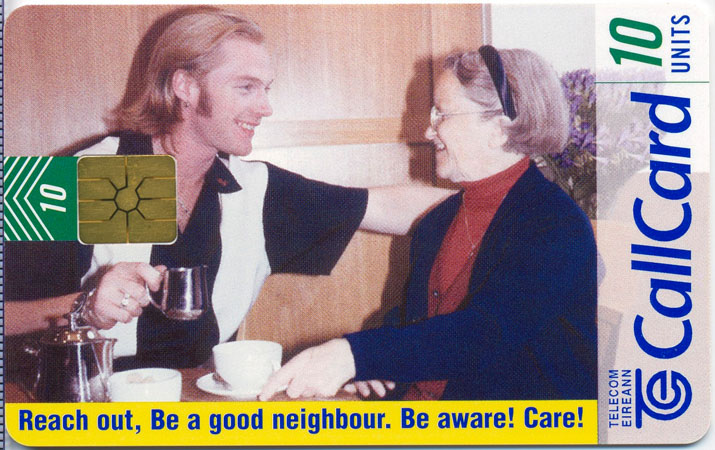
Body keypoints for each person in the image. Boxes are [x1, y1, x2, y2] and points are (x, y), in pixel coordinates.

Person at [4, 6, 450, 370]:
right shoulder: (91, 173)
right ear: (185, 87)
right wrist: (83, 306)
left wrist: (492, 199)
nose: (266, 106)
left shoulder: (251, 190)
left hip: (202, 413)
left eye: (266, 88)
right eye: (245, 87)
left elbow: (387, 206)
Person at [260, 46, 597, 401]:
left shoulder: (555, 225)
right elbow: (413, 320)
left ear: (500, 128)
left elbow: (488, 332)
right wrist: (370, 365)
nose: (427, 130)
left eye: (442, 115)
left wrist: (357, 356)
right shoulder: (439, 220)